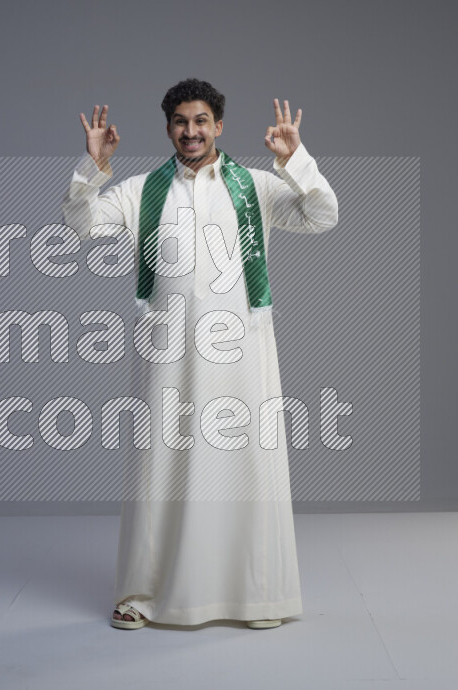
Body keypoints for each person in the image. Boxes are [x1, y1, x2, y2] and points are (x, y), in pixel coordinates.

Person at [61, 78, 338, 629]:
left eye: (201, 121)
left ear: (219, 125)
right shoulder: (142, 191)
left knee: (244, 467)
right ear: (168, 128)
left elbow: (321, 217)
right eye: (181, 122)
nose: (191, 131)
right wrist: (92, 169)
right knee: (158, 467)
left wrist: (296, 161)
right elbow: (80, 223)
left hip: (241, 351)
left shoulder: (253, 187)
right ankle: (142, 594)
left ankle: (256, 597)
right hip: (167, 352)